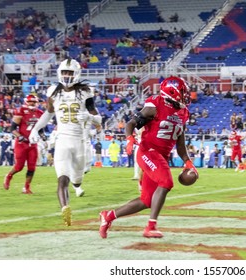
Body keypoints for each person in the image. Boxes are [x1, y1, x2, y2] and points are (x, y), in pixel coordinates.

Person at [98, 76, 198, 239]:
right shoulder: (155, 105)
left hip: (161, 156)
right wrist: (130, 138)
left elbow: (180, 142)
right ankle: (151, 226)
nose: (185, 96)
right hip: (148, 151)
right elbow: (131, 123)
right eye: (182, 92)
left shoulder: (183, 112)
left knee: (147, 201)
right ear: (171, 92)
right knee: (166, 182)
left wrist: (188, 161)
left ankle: (108, 216)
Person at [29, 58, 102, 226]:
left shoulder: (85, 91)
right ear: (59, 73)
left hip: (80, 141)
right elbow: (48, 114)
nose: (67, 76)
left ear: (76, 74)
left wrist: (90, 117)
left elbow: (98, 119)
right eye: (64, 72)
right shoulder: (53, 91)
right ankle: (65, 209)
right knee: (62, 178)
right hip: (62, 138)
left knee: (77, 180)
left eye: (70, 72)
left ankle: (76, 186)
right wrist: (35, 129)